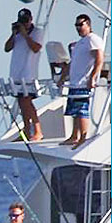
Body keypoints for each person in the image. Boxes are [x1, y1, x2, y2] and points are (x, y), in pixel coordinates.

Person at [61, 14, 104, 149]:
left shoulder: (93, 39)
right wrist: (63, 77)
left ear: (88, 25)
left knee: (81, 110)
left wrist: (92, 77)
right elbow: (73, 62)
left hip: (83, 82)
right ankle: (74, 136)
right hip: (74, 82)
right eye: (76, 25)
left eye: (81, 25)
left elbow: (99, 59)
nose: (78, 28)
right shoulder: (80, 43)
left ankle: (83, 138)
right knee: (74, 111)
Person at [5, 8, 45, 141]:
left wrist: (25, 35)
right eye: (22, 21)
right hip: (16, 74)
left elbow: (36, 48)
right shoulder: (17, 34)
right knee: (22, 103)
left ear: (31, 19)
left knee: (27, 102)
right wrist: (14, 34)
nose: (25, 24)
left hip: (28, 74)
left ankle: (37, 131)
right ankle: (27, 131)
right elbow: (7, 48)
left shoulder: (37, 32)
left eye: (26, 21)